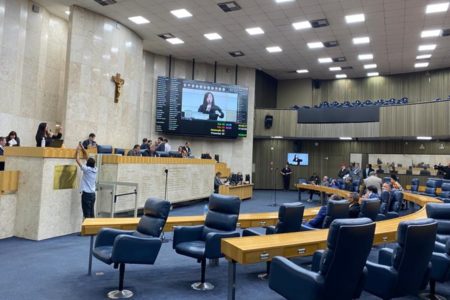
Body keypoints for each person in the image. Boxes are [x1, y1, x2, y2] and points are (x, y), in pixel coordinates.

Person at [75, 143, 97, 218]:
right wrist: (83, 149)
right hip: (93, 194)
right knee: (91, 212)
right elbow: (88, 159)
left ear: (87, 164)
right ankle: (92, 228)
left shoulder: (86, 169)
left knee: (86, 214)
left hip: (86, 195)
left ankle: (88, 229)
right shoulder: (95, 169)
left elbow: (77, 160)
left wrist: (78, 150)